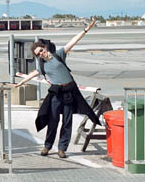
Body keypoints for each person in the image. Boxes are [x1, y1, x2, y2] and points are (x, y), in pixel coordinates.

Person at [14, 19, 100, 159]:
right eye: (38, 54)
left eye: (41, 50)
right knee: (53, 120)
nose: (40, 54)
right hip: (56, 94)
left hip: (69, 93)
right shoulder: (41, 66)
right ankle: (47, 146)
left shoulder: (59, 55)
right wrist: (19, 83)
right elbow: (32, 75)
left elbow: (73, 42)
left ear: (45, 48)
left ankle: (62, 149)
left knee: (67, 121)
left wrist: (86, 30)